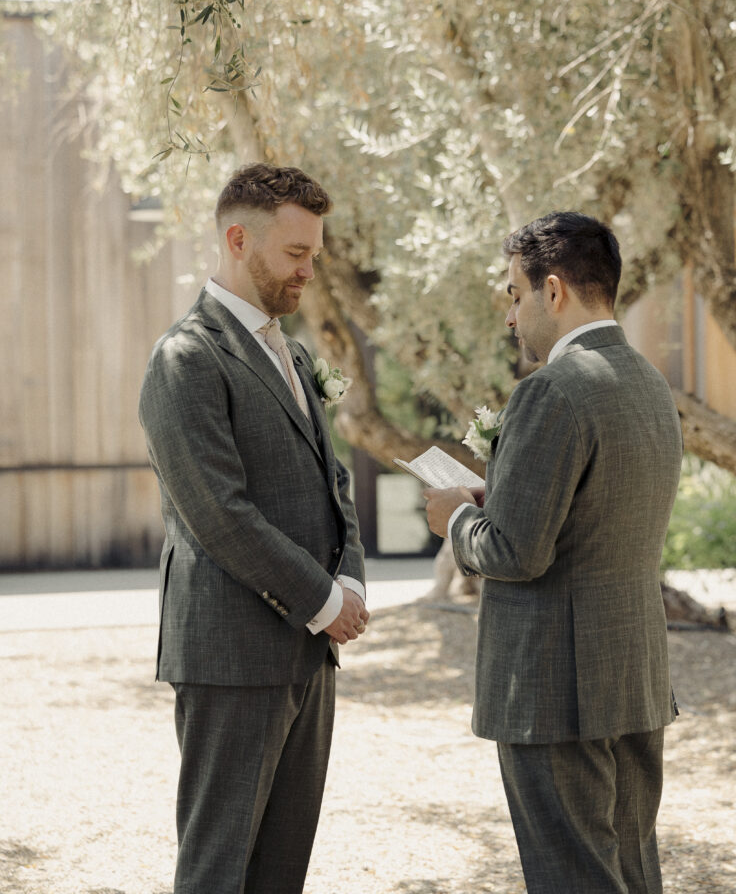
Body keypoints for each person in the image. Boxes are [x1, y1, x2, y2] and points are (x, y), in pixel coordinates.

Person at [423, 212, 683, 894]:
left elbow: (513, 552)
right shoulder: (648, 385)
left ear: (555, 289)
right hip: (631, 673)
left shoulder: (551, 391)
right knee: (630, 871)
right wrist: (501, 490)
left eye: (515, 293)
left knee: (571, 876)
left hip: (552, 687)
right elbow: (592, 512)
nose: (512, 315)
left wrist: (454, 521)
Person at [139, 163, 368, 894]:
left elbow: (333, 481)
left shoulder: (293, 353)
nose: (309, 272)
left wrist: (352, 574)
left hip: (307, 651)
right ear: (238, 239)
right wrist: (326, 603)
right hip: (231, 653)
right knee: (218, 866)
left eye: (314, 256)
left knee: (281, 869)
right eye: (296, 255)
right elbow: (219, 514)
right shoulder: (187, 358)